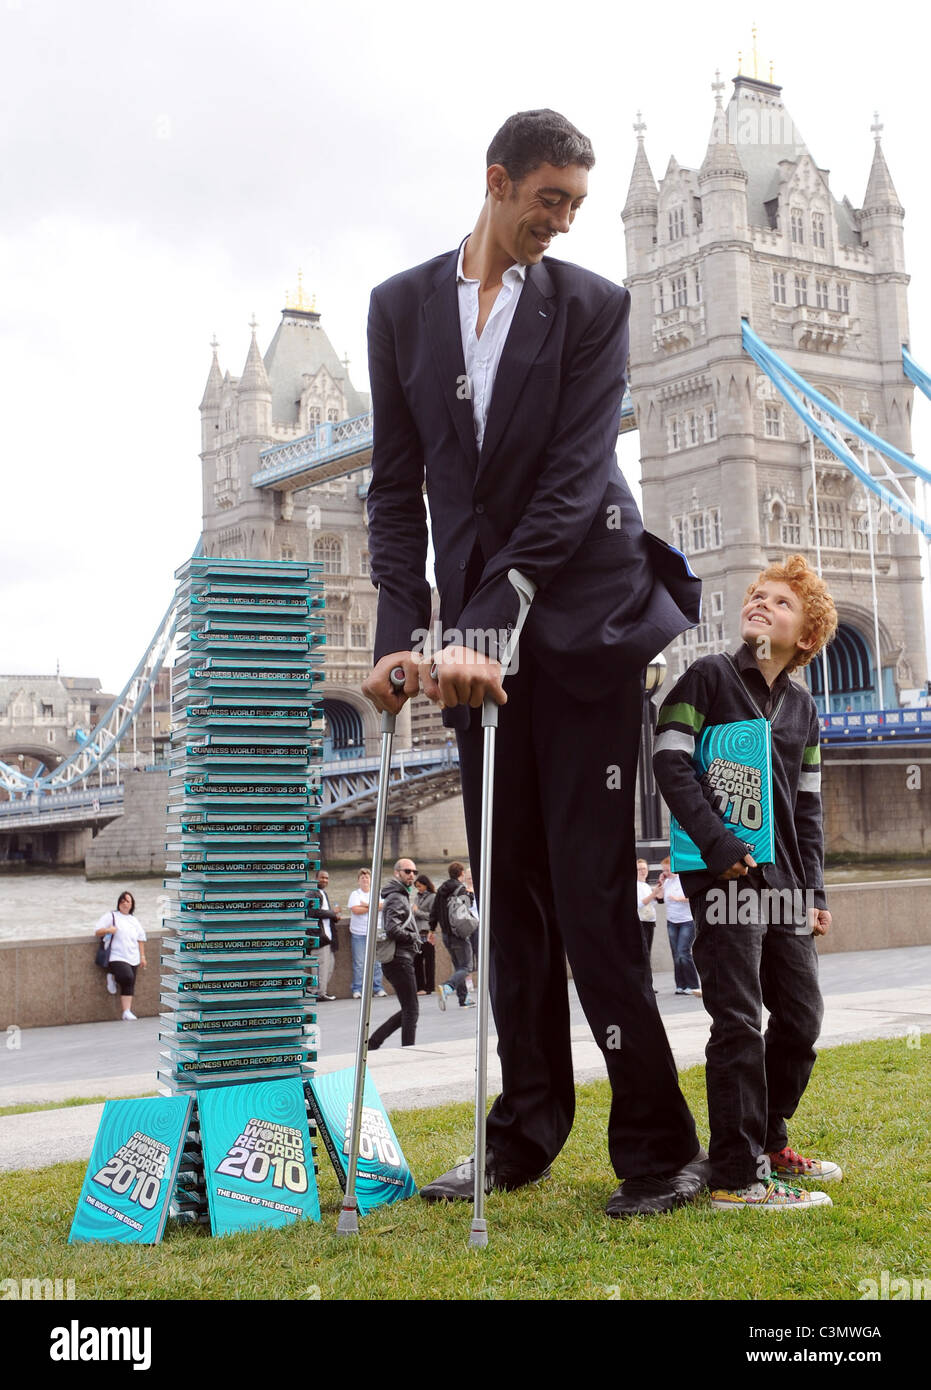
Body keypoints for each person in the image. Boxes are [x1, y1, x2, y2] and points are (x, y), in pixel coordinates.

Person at [362, 109, 705, 1216]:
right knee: (509, 899)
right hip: (470, 640)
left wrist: (486, 616)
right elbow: (397, 488)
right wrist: (396, 638)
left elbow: (570, 478)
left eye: (574, 207)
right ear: (497, 180)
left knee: (594, 898)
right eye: (546, 200)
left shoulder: (594, 309)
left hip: (584, 625)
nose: (558, 224)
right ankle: (523, 1133)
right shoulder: (398, 308)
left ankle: (659, 1150)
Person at [653, 554, 841, 1212]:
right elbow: (668, 762)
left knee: (800, 1018)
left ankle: (766, 1139)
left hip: (786, 883)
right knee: (736, 1018)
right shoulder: (705, 677)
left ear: (805, 637)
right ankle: (736, 1176)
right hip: (723, 875)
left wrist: (813, 892)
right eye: (756, 595)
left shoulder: (803, 709)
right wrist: (717, 842)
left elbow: (809, 810)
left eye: (780, 603)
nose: (760, 603)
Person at [368, 858, 422, 1050]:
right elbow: (392, 929)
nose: (412, 875)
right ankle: (408, 1050)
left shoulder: (398, 895)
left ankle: (374, 1042)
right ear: (397, 873)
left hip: (398, 959)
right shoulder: (396, 897)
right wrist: (413, 937)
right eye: (407, 871)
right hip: (399, 959)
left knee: (409, 1008)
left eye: (414, 872)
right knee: (412, 1010)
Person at [95, 890, 147, 1022]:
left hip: (133, 956)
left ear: (132, 904)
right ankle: (112, 975)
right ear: (118, 903)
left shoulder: (134, 920)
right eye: (122, 901)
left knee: (130, 983)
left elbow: (141, 938)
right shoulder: (111, 916)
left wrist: (142, 956)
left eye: (127, 901)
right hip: (116, 955)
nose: (124, 904)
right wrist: (108, 930)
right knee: (126, 976)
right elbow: (97, 931)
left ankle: (126, 1011)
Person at [430, 862, 475, 1010]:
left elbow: (434, 911)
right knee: (466, 967)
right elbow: (466, 910)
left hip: (446, 935)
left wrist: (431, 930)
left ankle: (464, 999)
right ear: (461, 873)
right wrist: (470, 895)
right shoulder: (460, 889)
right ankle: (447, 987)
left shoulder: (441, 890)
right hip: (459, 935)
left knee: (459, 967)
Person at [658, 856, 701, 997]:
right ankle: (681, 985)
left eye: (667, 869)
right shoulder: (667, 882)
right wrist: (661, 882)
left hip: (686, 921)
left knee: (683, 952)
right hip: (672, 921)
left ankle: (693, 984)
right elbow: (660, 898)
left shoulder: (682, 880)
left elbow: (692, 896)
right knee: (676, 955)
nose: (666, 872)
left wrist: (679, 899)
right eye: (664, 870)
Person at [347, 868, 387, 999]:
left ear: (371, 880)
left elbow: (384, 906)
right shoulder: (355, 894)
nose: (365, 879)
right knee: (359, 963)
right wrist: (373, 906)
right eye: (362, 878)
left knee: (377, 962)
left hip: (376, 932)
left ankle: (378, 988)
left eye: (367, 877)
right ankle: (357, 989)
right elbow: (356, 910)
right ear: (358, 881)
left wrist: (366, 904)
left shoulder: (378, 893)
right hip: (359, 934)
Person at [311, 869, 340, 1001]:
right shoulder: (312, 893)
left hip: (327, 937)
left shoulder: (323, 893)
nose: (325, 880)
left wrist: (333, 916)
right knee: (320, 967)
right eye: (322, 877)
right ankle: (318, 993)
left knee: (328, 966)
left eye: (327, 878)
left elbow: (324, 914)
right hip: (319, 937)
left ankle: (319, 991)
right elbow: (313, 912)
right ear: (315, 878)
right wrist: (332, 913)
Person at [412, 873, 437, 995]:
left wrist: (417, 912)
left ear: (426, 885)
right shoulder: (417, 897)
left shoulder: (433, 897)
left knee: (429, 962)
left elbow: (432, 916)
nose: (419, 888)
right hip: (417, 933)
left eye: (420, 886)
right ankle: (420, 986)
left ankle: (429, 987)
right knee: (417, 961)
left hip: (427, 932)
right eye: (417, 886)